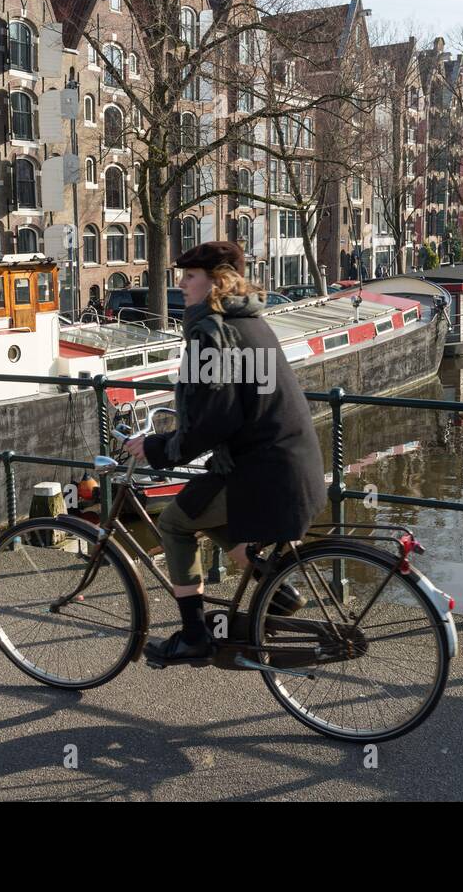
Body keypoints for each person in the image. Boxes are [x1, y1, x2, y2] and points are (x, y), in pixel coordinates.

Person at [124, 241, 327, 665]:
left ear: (217, 280)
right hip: (286, 464)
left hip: (263, 472)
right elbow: (231, 410)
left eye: (190, 276)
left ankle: (194, 635)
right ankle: (279, 589)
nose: (180, 284)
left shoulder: (211, 332)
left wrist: (159, 447)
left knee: (177, 523)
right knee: (209, 513)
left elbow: (215, 418)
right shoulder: (250, 322)